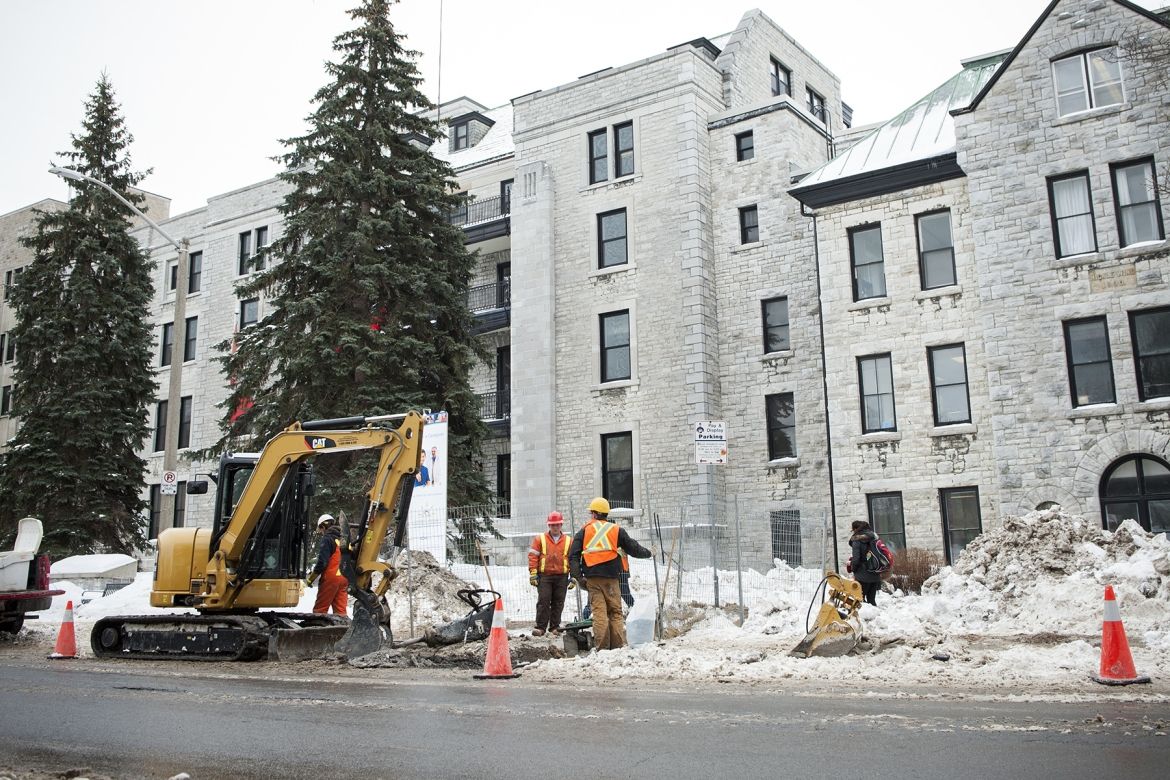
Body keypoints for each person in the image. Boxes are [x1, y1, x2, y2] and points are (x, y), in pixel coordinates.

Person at [569, 497, 652, 650]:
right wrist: (648, 553)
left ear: (594, 514)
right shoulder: (616, 530)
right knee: (615, 612)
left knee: (599, 612)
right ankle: (617, 647)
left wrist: (579, 578)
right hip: (613, 579)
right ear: (606, 514)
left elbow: (572, 556)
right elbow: (633, 548)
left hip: (593, 578)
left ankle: (602, 648)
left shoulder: (584, 531)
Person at [528, 510, 574, 636]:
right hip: (545, 576)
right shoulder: (540, 539)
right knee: (543, 600)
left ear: (561, 525)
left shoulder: (569, 541)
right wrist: (533, 573)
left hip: (562, 576)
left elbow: (573, 559)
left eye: (557, 524)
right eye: (553, 525)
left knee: (558, 602)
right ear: (549, 525)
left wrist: (573, 576)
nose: (555, 527)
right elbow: (533, 556)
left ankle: (555, 627)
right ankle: (540, 627)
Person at [306, 514, 348, 615]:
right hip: (344, 579)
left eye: (321, 529)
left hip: (331, 578)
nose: (321, 532)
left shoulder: (327, 539)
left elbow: (322, 562)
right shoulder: (344, 540)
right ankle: (342, 629)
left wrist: (310, 579)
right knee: (340, 612)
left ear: (324, 526)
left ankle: (316, 627)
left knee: (320, 610)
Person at [847, 520, 881, 606]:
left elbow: (856, 559)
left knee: (860, 600)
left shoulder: (857, 540)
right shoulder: (874, 537)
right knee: (871, 600)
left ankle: (862, 618)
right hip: (875, 572)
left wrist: (853, 568)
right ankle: (875, 618)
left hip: (863, 575)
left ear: (855, 529)